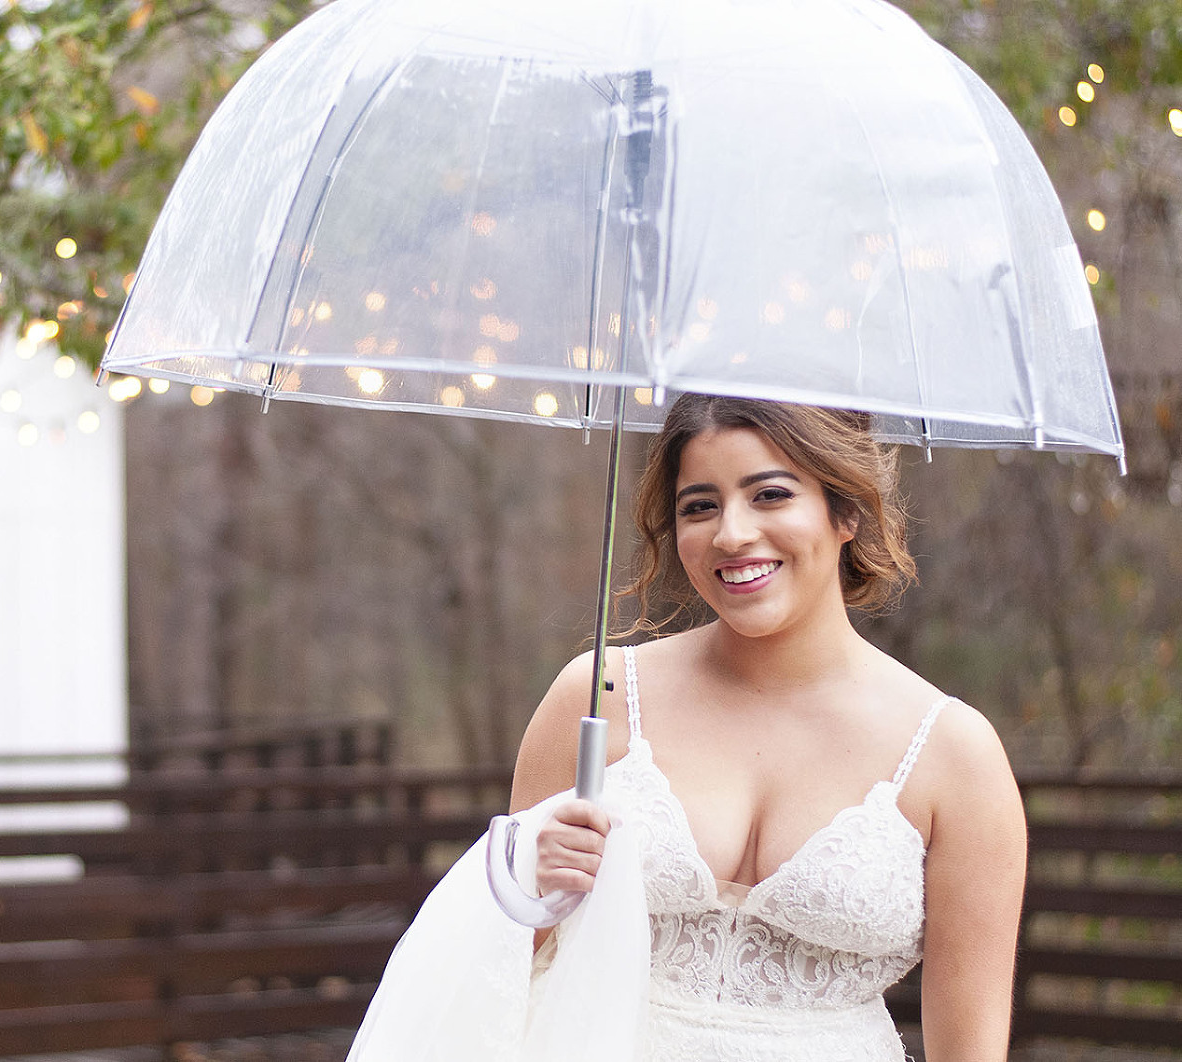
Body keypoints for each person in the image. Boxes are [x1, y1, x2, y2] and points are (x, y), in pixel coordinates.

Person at [346, 393, 1027, 1062]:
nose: (731, 534)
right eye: (699, 506)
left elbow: (970, 1048)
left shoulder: (953, 754)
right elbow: (499, 984)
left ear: (844, 510)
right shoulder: (597, 696)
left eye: (769, 495)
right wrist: (531, 879)